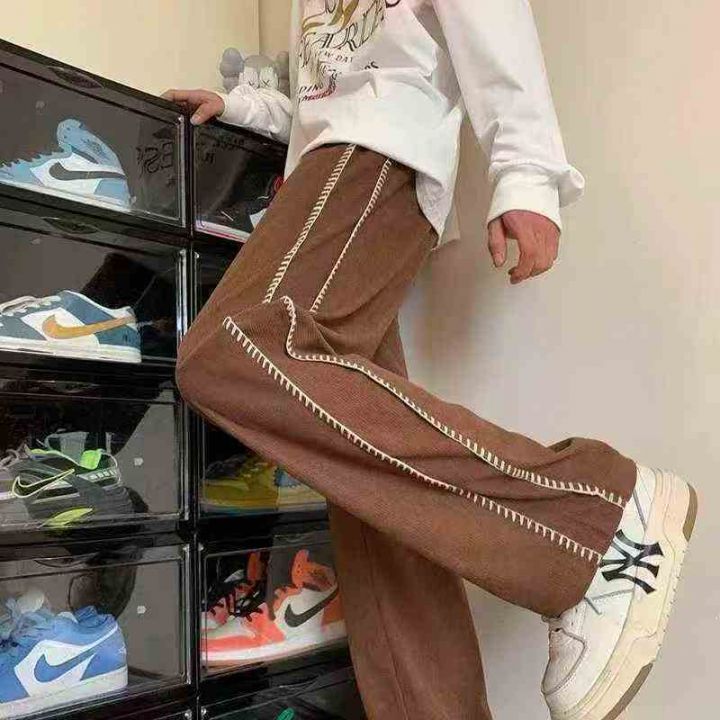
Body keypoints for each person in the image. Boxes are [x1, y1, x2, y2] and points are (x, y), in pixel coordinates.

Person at [165, 2, 697, 718]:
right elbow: (327, 85)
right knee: (372, 498)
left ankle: (589, 523)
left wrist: (528, 170)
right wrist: (245, 107)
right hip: (339, 150)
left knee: (229, 355)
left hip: (377, 146)